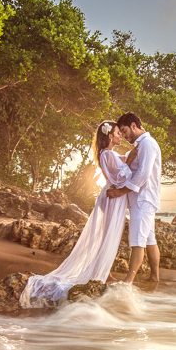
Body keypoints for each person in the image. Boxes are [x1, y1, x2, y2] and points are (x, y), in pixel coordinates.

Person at [19, 121, 134, 306]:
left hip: (114, 199)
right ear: (110, 136)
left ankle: (106, 272)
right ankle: (103, 273)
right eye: (118, 133)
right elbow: (118, 178)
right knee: (108, 235)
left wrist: (133, 155)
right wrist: (129, 161)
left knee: (109, 235)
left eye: (122, 133)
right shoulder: (106, 154)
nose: (121, 135)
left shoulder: (110, 154)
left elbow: (124, 162)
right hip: (113, 197)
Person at [106, 112, 161, 284]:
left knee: (137, 240)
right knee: (150, 239)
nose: (123, 135)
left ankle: (128, 281)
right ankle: (155, 277)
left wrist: (121, 191)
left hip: (143, 199)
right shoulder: (141, 145)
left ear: (134, 125)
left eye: (124, 130)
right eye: (120, 133)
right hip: (143, 198)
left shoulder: (147, 144)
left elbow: (143, 173)